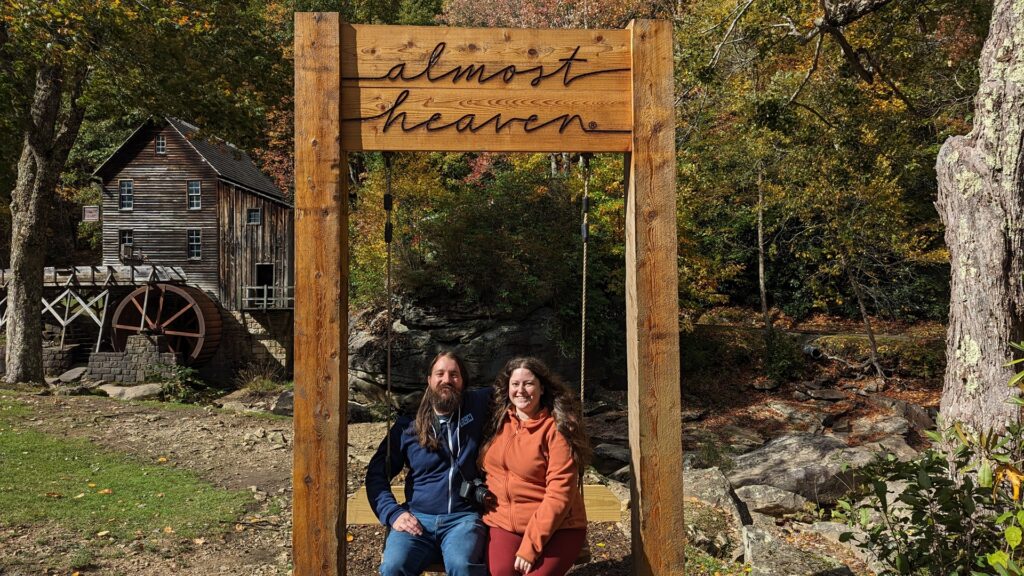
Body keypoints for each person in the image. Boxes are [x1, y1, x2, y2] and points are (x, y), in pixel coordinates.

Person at [366, 351, 492, 576]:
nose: (447, 380)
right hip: (417, 520)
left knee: (462, 566)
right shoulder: (408, 426)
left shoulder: (477, 406)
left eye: (454, 374)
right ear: (429, 380)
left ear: (463, 381)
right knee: (393, 566)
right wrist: (393, 513)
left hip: (462, 519)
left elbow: (518, 387)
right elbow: (376, 474)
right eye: (440, 374)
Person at [480, 357, 591, 576]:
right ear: (507, 388)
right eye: (515, 384)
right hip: (504, 522)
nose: (521, 390)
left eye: (528, 383)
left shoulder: (556, 429)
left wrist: (530, 546)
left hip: (559, 527)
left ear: (541, 389)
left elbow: (559, 494)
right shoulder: (497, 421)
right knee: (501, 572)